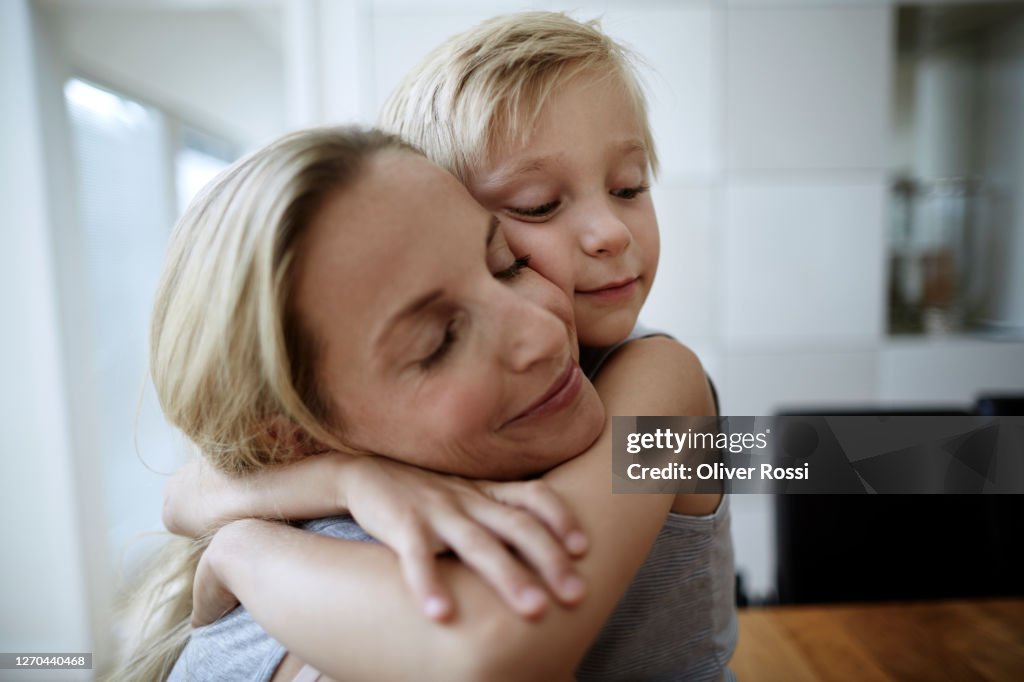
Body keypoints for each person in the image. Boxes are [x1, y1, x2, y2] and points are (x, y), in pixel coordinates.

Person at [159, 11, 736, 682]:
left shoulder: (659, 378)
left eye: (631, 188)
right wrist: (342, 479)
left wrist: (242, 549)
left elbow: (501, 644)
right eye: (540, 204)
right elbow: (185, 493)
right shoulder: (404, 448)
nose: (610, 230)